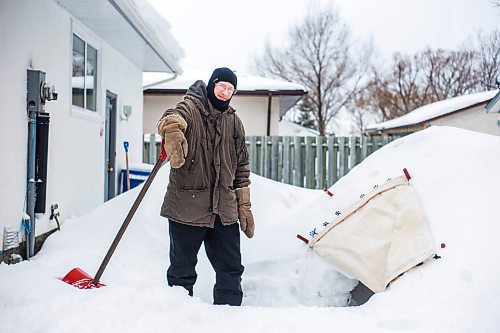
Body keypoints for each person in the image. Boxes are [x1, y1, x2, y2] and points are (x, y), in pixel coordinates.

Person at [156, 67, 254, 306]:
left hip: (224, 208)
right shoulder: (191, 107)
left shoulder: (234, 121)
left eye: (230, 89)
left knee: (231, 268)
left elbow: (242, 166)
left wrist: (244, 205)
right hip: (187, 207)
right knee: (182, 271)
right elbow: (172, 116)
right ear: (212, 84)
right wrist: (171, 127)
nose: (225, 92)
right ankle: (179, 318)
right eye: (222, 86)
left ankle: (229, 318)